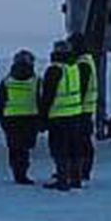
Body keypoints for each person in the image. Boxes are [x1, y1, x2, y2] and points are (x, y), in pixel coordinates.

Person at [38, 40, 83, 190]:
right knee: (73, 147)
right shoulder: (74, 67)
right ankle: (76, 178)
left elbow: (48, 96)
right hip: (75, 114)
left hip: (58, 116)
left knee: (59, 148)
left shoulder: (54, 70)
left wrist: (42, 117)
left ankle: (62, 178)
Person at [0, 49, 42, 185]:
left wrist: (2, 120)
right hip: (30, 118)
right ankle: (23, 172)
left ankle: (18, 173)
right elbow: (41, 100)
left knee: (14, 149)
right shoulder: (36, 80)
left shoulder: (6, 81)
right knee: (25, 149)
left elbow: (0, 102)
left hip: (11, 119)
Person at [71, 37, 100, 183]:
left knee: (80, 142)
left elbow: (79, 89)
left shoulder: (82, 64)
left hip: (81, 110)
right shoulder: (88, 60)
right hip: (87, 109)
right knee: (84, 141)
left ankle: (81, 171)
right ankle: (83, 170)